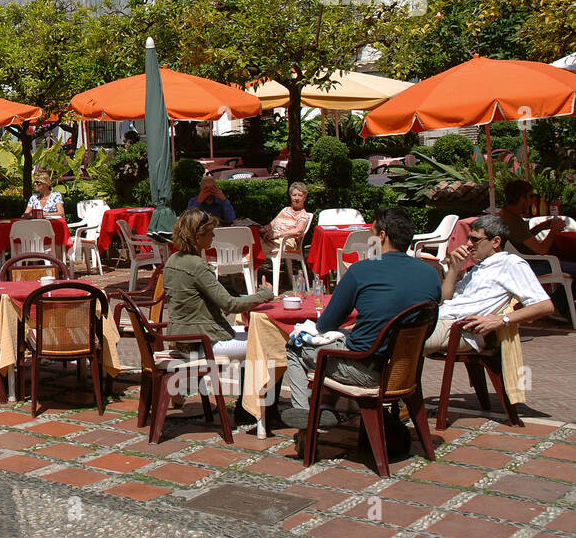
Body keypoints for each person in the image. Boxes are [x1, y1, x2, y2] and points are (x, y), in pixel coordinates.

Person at [279, 208, 441, 430]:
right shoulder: (431, 273)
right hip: (405, 368)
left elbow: (326, 324)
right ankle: (325, 406)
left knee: (296, 345)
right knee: (345, 336)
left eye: (371, 233)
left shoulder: (362, 270)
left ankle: (305, 417)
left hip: (366, 370)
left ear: (382, 236)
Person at [424, 214, 553, 353]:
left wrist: (502, 320)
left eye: (475, 239)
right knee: (400, 329)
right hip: (440, 320)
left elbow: (544, 306)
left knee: (401, 339)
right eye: (468, 238)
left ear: (496, 242)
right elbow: (443, 301)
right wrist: (454, 270)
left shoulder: (510, 263)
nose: (468, 244)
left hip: (458, 329)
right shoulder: (478, 268)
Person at [164, 209, 273, 362]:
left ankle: (244, 384)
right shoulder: (197, 266)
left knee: (254, 334)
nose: (214, 236)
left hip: (183, 341)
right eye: (210, 233)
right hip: (202, 345)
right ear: (197, 237)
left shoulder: (172, 260)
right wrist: (264, 294)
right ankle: (252, 386)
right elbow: (230, 304)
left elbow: (190, 301)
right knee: (271, 341)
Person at [499, 179, 576, 277]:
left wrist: (541, 227)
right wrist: (554, 230)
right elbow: (542, 250)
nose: (533, 200)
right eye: (531, 196)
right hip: (531, 266)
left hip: (520, 263)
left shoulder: (506, 214)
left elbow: (521, 239)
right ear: (522, 198)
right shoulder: (514, 221)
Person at [262, 181, 312, 251]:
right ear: (290, 196)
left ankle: (249, 260)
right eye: (294, 195)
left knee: (255, 246)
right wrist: (261, 230)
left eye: (300, 195)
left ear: (304, 198)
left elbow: (299, 231)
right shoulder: (285, 210)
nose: (296, 198)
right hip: (273, 239)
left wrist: (278, 234)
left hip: (286, 241)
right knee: (251, 239)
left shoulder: (303, 215)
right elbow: (271, 225)